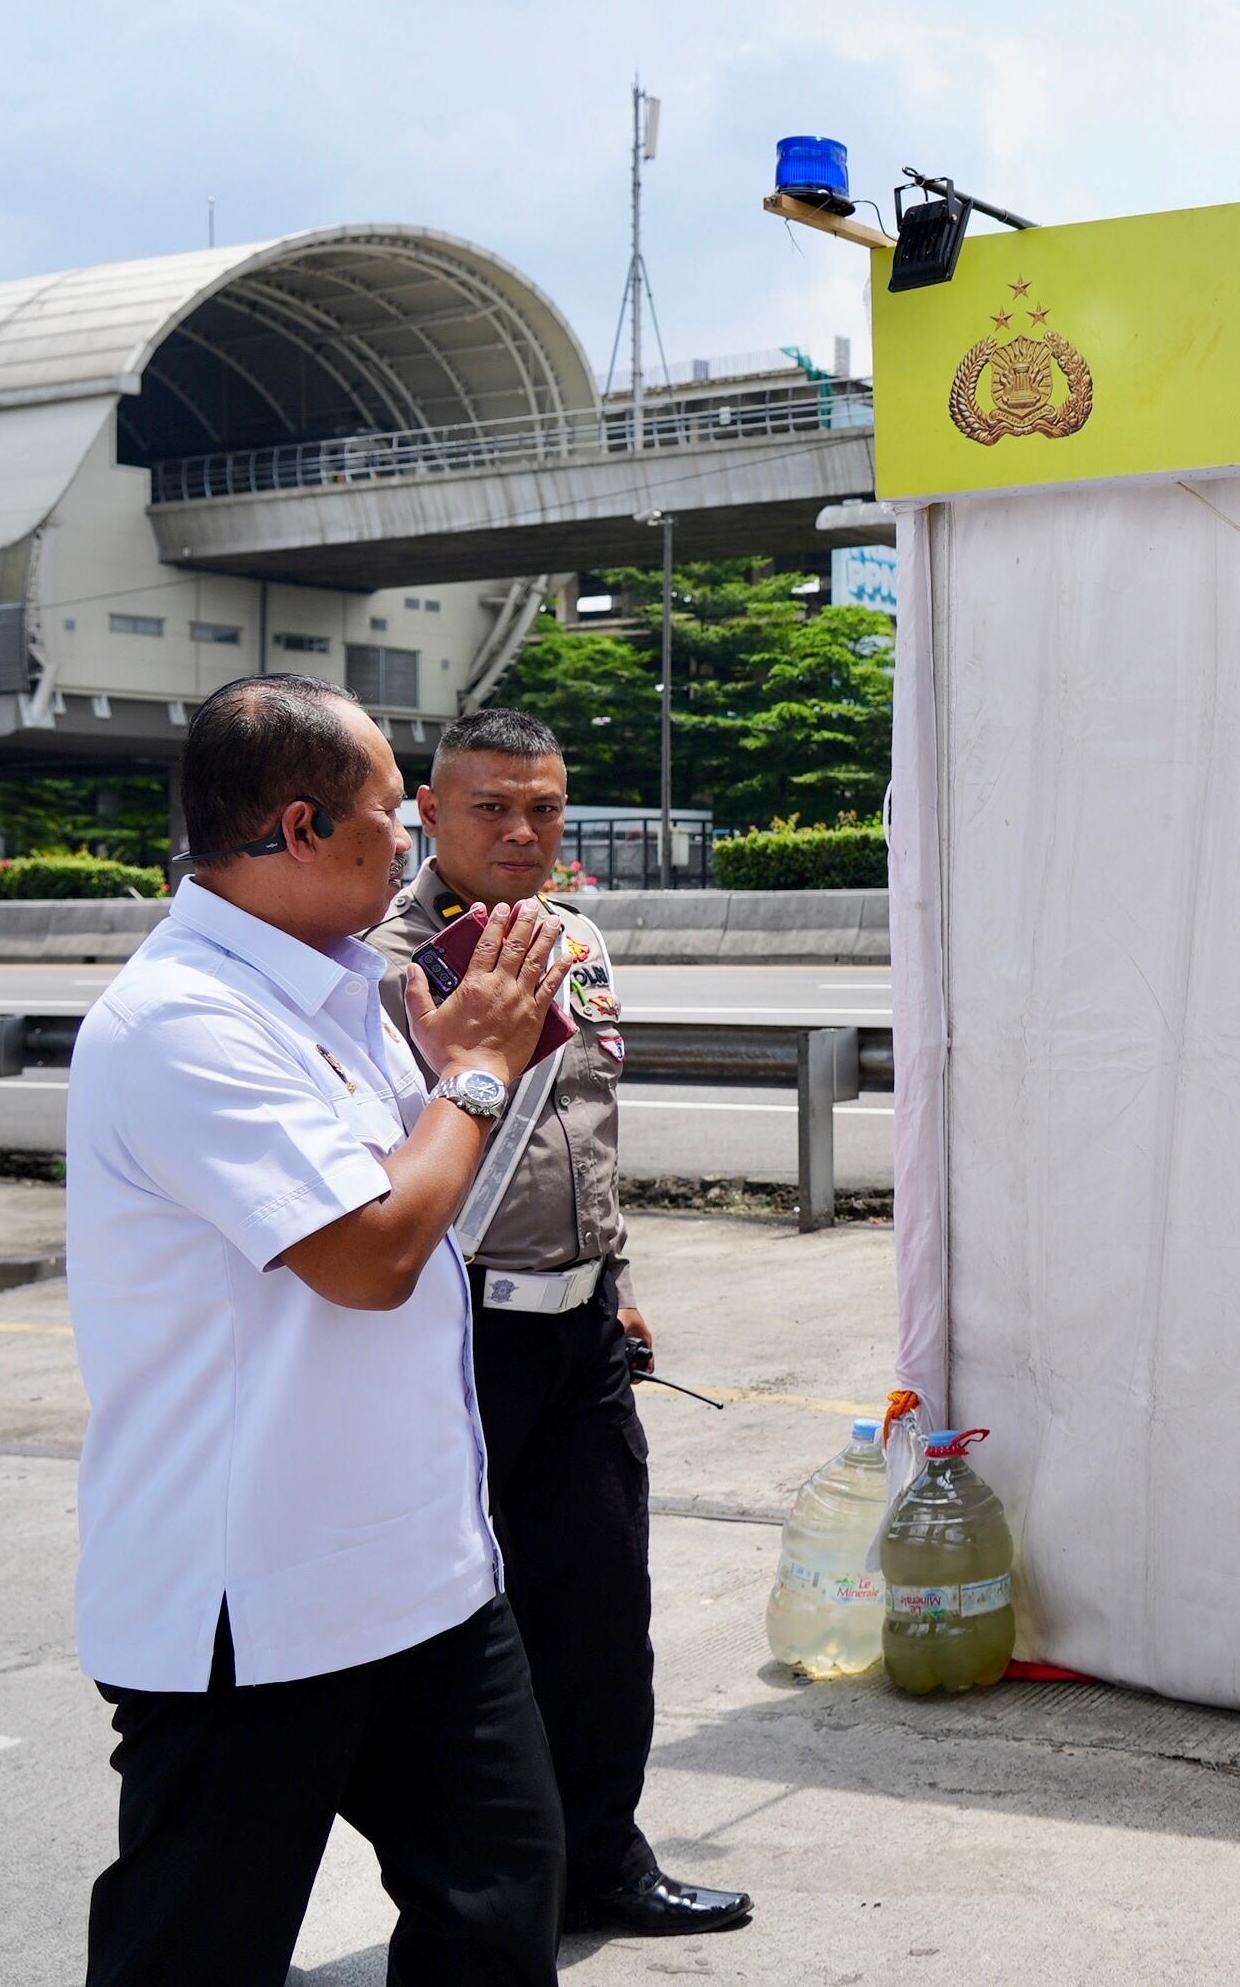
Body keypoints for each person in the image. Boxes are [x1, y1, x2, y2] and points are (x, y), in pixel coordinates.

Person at [67, 674, 575, 1985]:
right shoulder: (184, 1024)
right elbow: (373, 1253)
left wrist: (471, 1060)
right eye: (388, 810)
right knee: (197, 1950)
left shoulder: (346, 992)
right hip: (256, 1607)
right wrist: (472, 1070)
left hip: (422, 1579)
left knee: (500, 1900)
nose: (408, 836)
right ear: (301, 828)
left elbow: (425, 1185)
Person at [365, 708, 750, 1940]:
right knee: (453, 1632)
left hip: (579, 1326)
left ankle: (603, 1859)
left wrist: (617, 1273)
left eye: (546, 807)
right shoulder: (379, 963)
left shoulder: (578, 936)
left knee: (599, 1613)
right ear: (430, 812)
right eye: (494, 807)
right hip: (454, 1330)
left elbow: (587, 1128)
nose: (525, 831)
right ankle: (480, 1892)